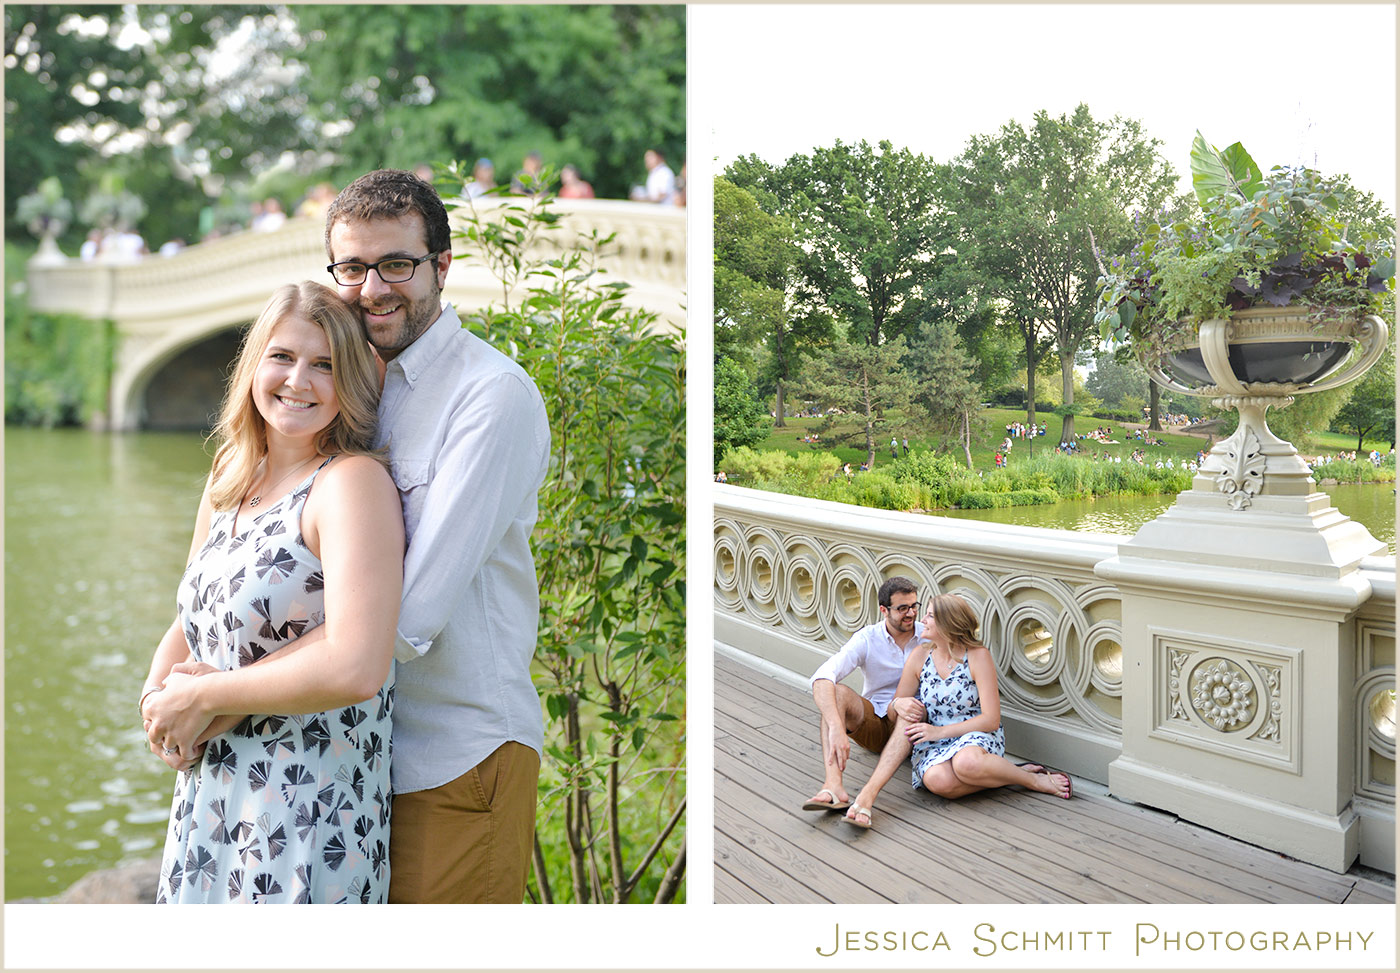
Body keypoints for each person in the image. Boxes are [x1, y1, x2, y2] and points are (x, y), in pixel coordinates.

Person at [322, 169, 549, 902]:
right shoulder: (345, 390)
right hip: (352, 761)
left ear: (441, 266)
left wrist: (232, 690)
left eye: (396, 264)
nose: (372, 288)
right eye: (353, 267)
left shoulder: (491, 395)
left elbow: (412, 615)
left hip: (456, 758)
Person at [140, 280, 404, 902]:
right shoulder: (230, 472)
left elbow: (356, 665)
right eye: (283, 357)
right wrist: (158, 703)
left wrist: (202, 699)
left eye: (325, 366)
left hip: (305, 810)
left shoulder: (349, 485)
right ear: (254, 364)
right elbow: (189, 617)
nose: (298, 380)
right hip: (211, 798)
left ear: (352, 384)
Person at [841, 593, 1071, 830]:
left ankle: (1032, 780)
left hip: (975, 732)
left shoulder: (977, 656)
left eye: (930, 615)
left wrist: (939, 732)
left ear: (947, 623)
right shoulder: (919, 656)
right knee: (937, 782)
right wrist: (897, 704)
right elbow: (893, 713)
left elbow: (991, 720)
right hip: (932, 742)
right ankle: (1006, 774)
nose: (924, 619)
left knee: (966, 764)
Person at [802, 577, 926, 814]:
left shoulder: (928, 636)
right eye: (902, 608)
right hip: (874, 721)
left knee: (911, 709)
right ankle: (833, 787)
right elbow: (822, 677)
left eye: (914, 606)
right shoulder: (867, 638)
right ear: (883, 610)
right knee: (836, 692)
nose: (910, 614)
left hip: (910, 725)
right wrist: (837, 727)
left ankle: (866, 797)